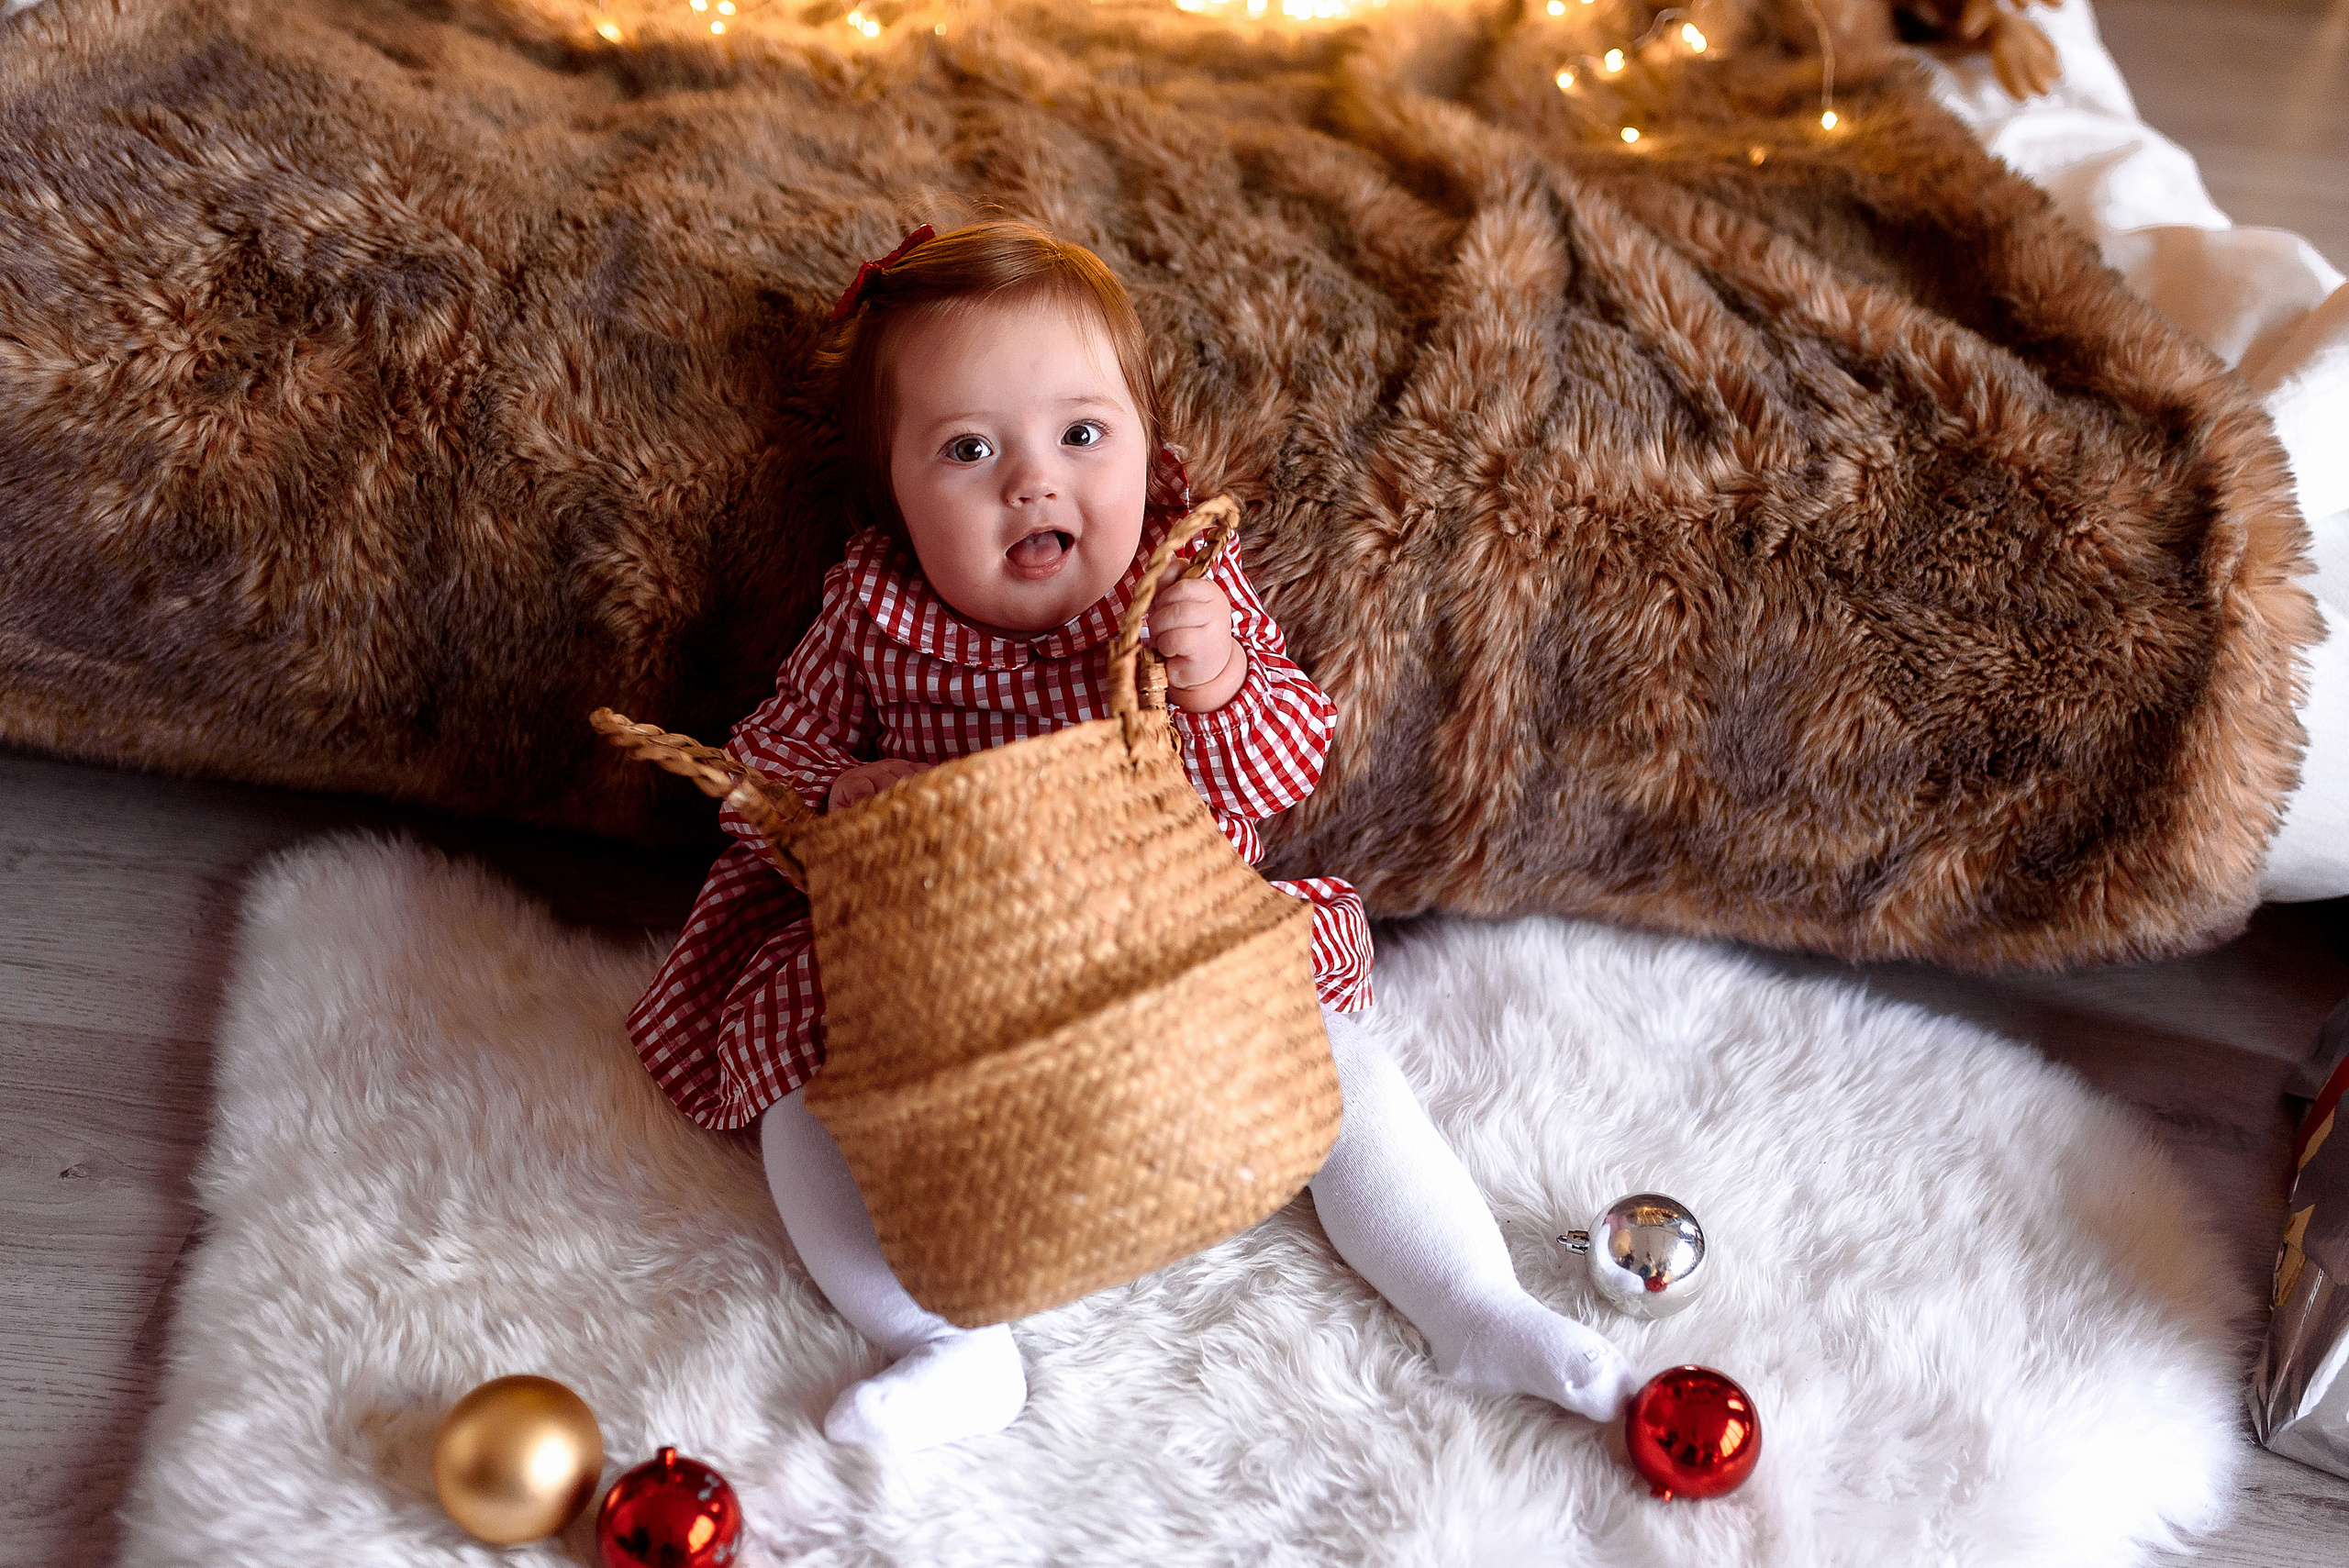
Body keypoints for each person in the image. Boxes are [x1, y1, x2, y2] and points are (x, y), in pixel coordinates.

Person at [629, 219, 1639, 1453]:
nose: (1032, 480)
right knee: (804, 1097)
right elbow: (762, 765)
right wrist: (843, 799)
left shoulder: (1176, 587)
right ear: (890, 493)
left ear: (1147, 446)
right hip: (938, 988)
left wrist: (1215, 675)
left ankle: (1469, 1299)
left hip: (1170, 949)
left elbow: (1282, 769)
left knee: (1335, 1063)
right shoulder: (874, 611)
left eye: (1080, 434)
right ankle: (944, 1341)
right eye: (966, 449)